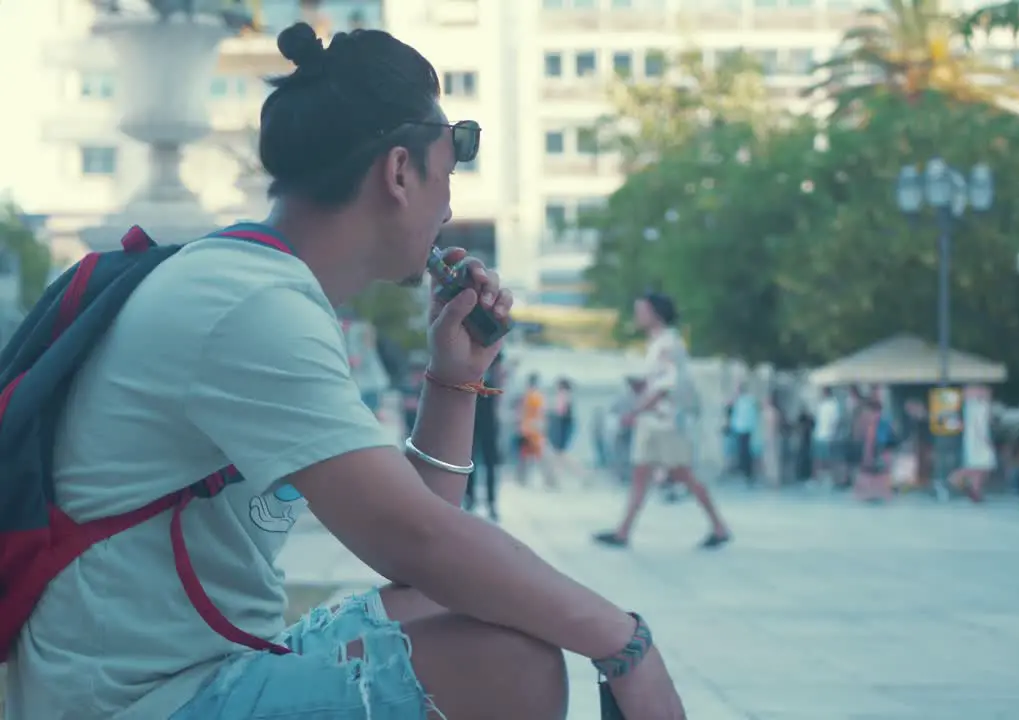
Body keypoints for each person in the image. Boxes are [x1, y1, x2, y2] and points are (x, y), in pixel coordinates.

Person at [6, 23, 684, 720]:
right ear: (399, 172)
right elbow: (416, 542)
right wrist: (626, 645)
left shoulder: (250, 282)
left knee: (474, 590)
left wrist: (454, 379)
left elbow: (417, 540)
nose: (449, 206)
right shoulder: (252, 305)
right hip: (137, 702)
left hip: (200, 666)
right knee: (509, 667)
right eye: (448, 173)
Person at [593, 293, 731, 549]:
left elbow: (665, 387)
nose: (637, 316)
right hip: (653, 422)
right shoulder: (657, 343)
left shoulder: (668, 343)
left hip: (664, 422)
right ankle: (623, 531)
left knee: (683, 473)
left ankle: (719, 526)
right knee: (642, 473)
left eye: (641, 311)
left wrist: (635, 411)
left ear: (655, 313)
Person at [464, 353, 504, 521]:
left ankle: (491, 502)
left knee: (489, 465)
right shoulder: (473, 365)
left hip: (489, 423)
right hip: (473, 422)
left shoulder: (495, 370)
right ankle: (470, 498)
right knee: (470, 462)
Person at [516, 372, 556, 488]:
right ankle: (549, 480)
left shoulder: (528, 396)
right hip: (534, 430)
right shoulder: (536, 396)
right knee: (541, 456)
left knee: (527, 456)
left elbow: (524, 413)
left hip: (527, 429)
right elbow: (541, 413)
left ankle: (522, 479)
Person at [853, 398, 895, 502]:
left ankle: (868, 494)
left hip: (879, 448)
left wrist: (867, 455)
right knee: (879, 473)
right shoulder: (885, 420)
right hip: (883, 449)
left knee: (870, 473)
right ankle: (882, 494)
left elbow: (870, 440)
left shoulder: (875, 422)